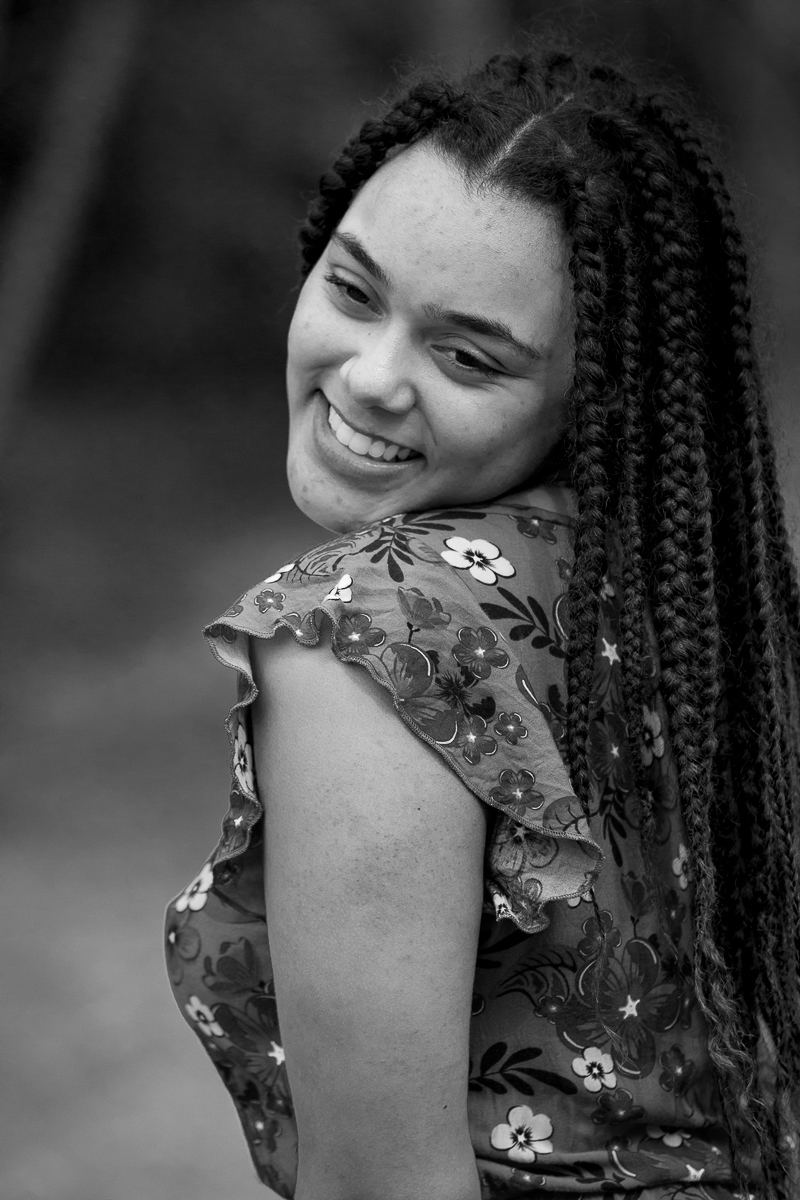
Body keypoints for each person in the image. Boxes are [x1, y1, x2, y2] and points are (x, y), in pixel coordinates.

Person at [164, 40, 800, 1200]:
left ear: (587, 399)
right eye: (353, 291)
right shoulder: (663, 594)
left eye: (465, 355)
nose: (370, 378)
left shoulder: (370, 633)